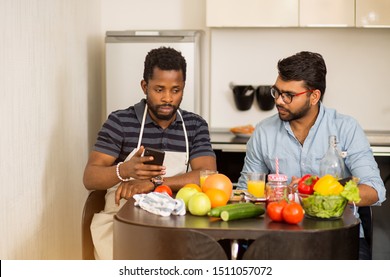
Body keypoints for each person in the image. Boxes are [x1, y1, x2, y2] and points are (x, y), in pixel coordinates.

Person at [236, 51, 386, 260]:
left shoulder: (346, 128)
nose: (279, 101)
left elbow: (375, 190)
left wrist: (317, 190)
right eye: (276, 92)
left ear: (314, 96)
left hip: (338, 236)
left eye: (288, 95)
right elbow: (246, 191)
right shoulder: (263, 132)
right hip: (279, 236)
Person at [83, 46, 216, 259]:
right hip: (120, 225)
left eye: (175, 90)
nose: (167, 98)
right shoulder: (119, 122)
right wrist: (124, 170)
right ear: (145, 86)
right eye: (159, 89)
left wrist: (155, 183)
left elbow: (208, 175)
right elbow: (90, 178)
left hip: (173, 227)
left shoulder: (194, 125)